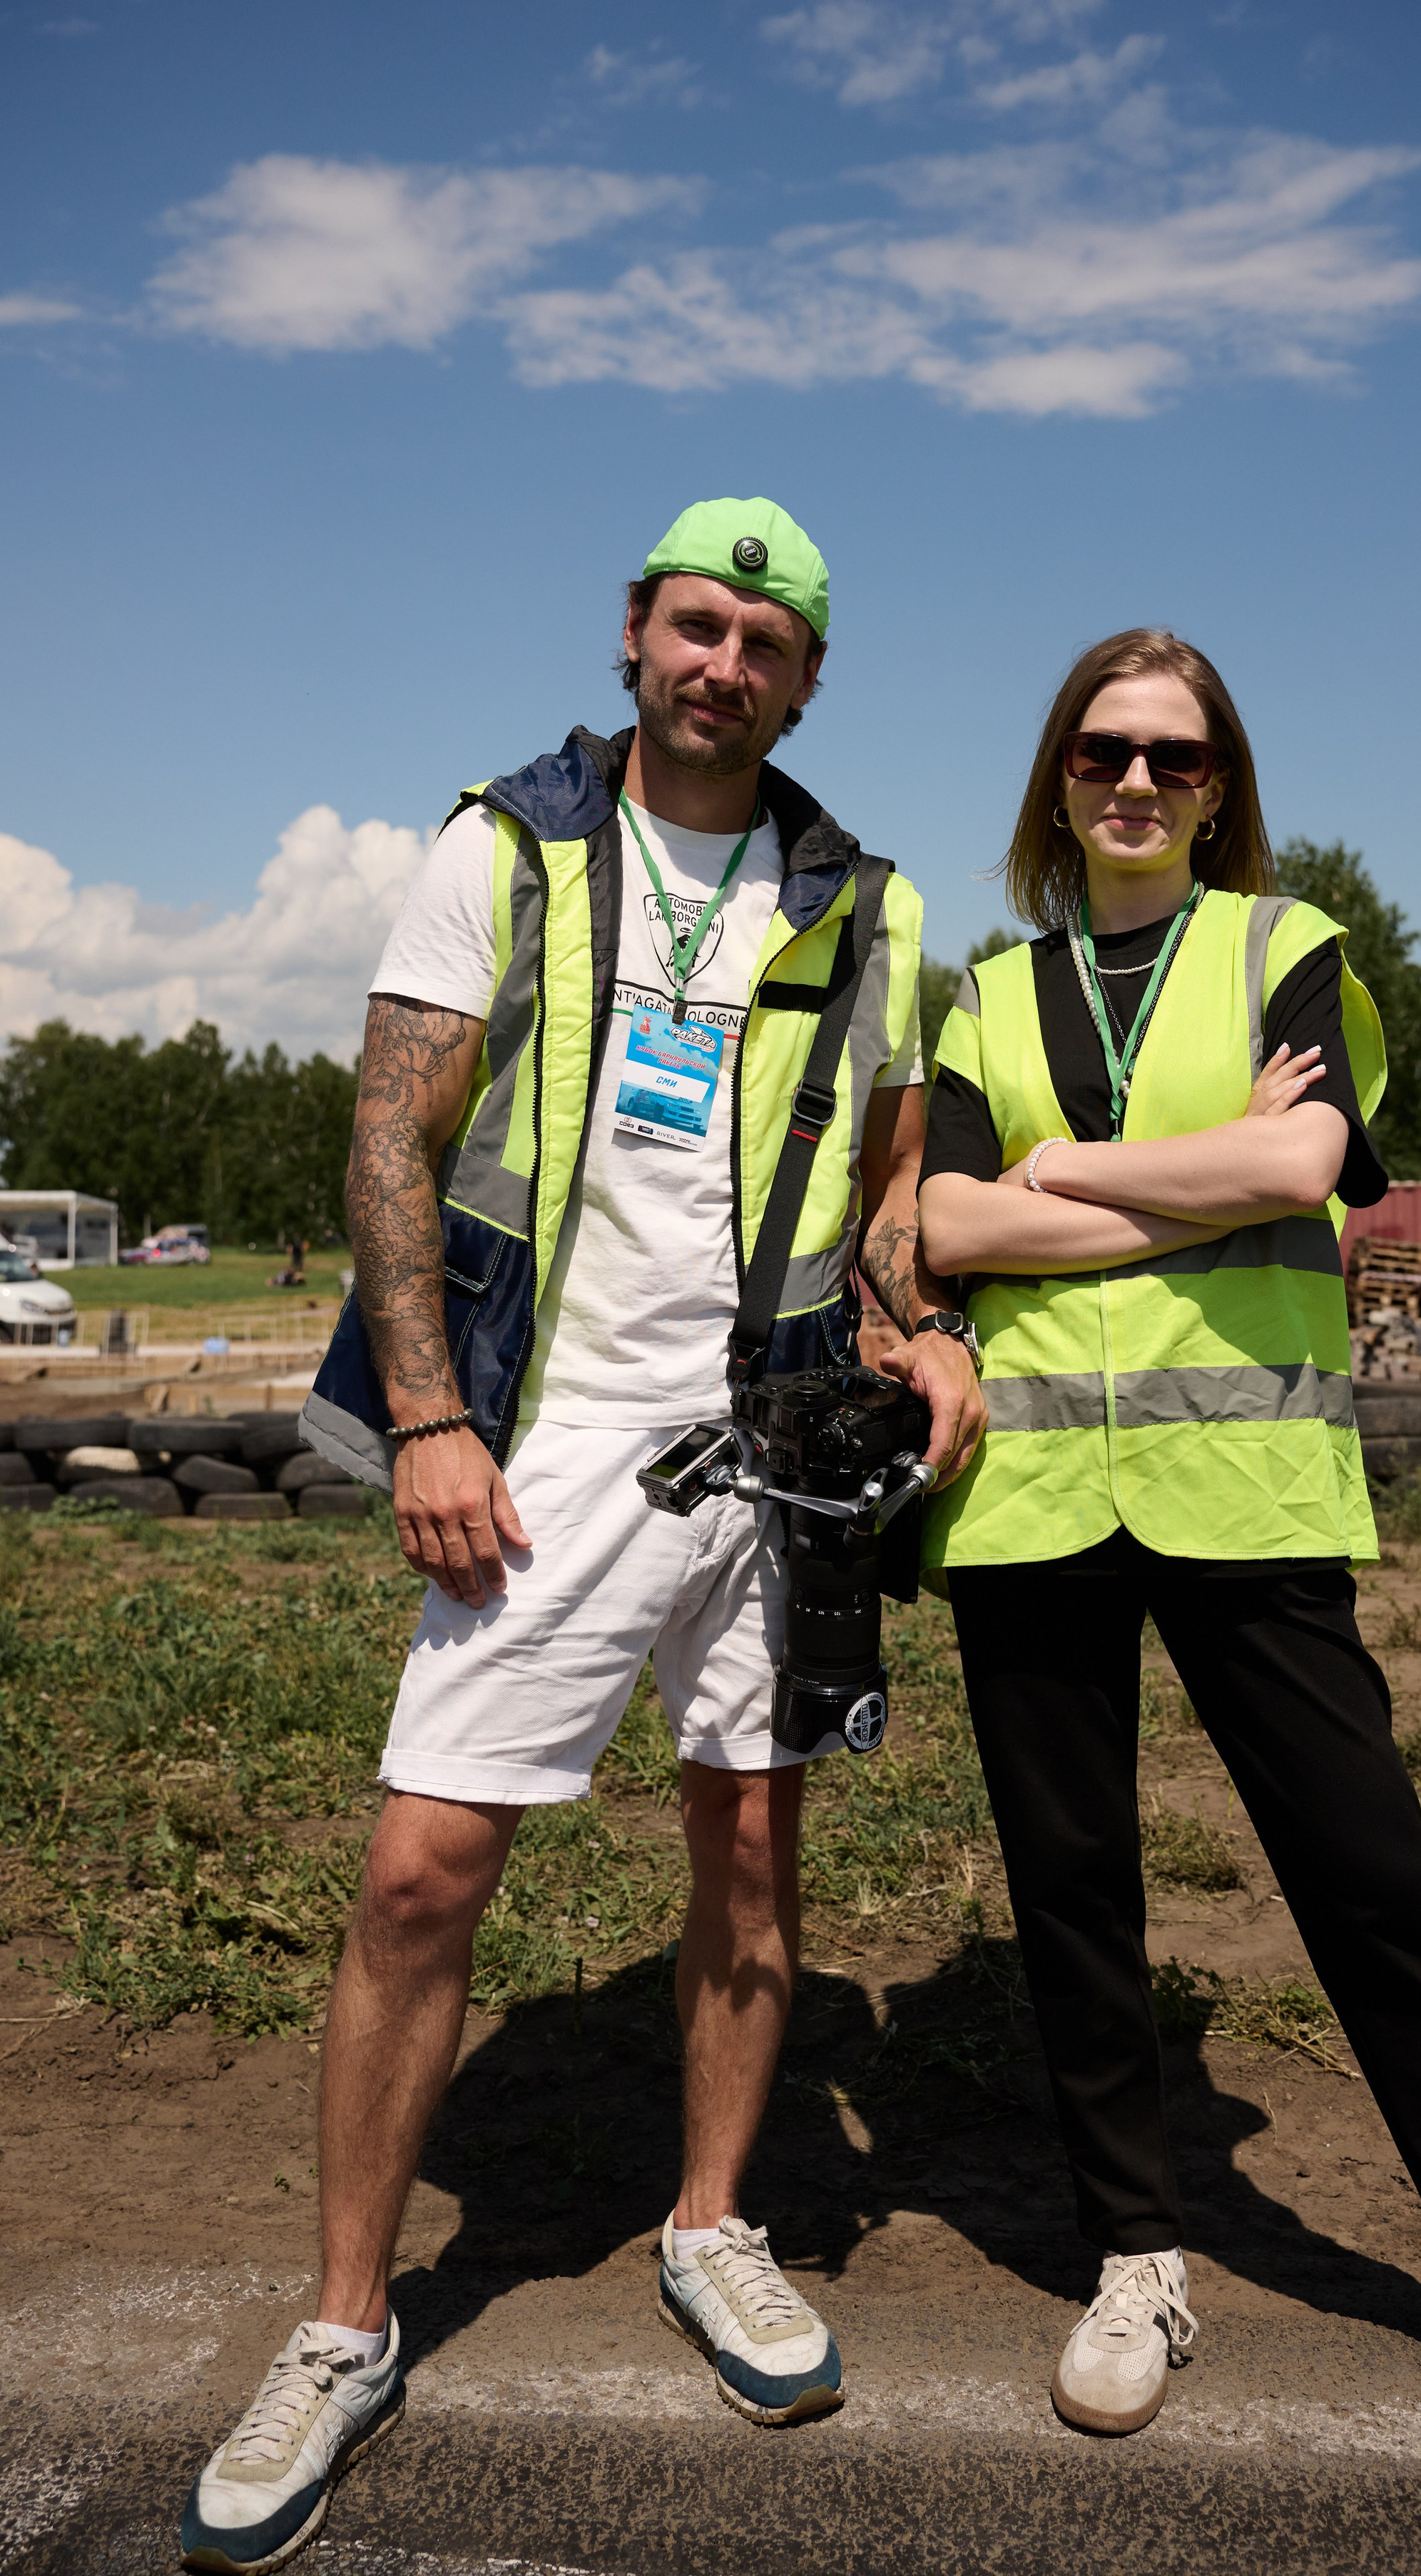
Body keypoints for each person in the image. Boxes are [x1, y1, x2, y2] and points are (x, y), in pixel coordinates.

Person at [179, 497, 985, 2574]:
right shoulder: (506, 844)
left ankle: (713, 2226)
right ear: (634, 634)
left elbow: (887, 1175)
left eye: (769, 639)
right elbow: (387, 1130)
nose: (727, 662)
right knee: (421, 1872)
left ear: (809, 677)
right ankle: (346, 2323)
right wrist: (430, 1415)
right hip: (544, 1447)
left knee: (748, 1846)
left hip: (777, 1443)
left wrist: (922, 1324)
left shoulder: (866, 903)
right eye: (697, 624)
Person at [916, 627, 1421, 2497]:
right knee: (1078, 1897)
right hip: (1027, 1504)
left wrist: (1061, 1186)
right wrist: (1183, 1164)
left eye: (1175, 758)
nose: (1137, 783)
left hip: (1250, 1495)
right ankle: (1135, 2260)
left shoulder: (1290, 945)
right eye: (1104, 750)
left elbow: (1305, 1165)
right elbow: (936, 1214)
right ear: (1058, 775)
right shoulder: (985, 991)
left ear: (1219, 785)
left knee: (1377, 1896)